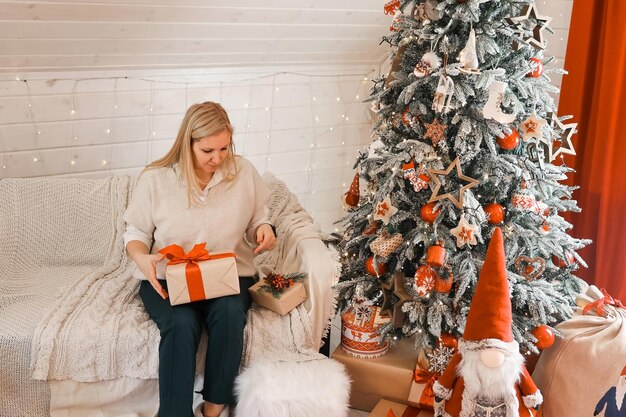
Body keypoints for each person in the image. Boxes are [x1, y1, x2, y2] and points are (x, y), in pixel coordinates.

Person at [123, 101, 276, 417]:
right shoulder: (156, 178)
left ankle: (213, 408)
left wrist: (264, 228)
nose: (217, 158)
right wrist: (141, 257)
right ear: (187, 143)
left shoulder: (243, 172)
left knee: (230, 315)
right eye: (208, 150)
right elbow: (135, 232)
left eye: (224, 148)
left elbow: (259, 216)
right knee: (181, 324)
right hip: (169, 276)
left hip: (227, 273)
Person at [432, 228, 543, 417]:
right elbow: (448, 376)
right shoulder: (465, 358)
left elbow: (525, 381)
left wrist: (532, 396)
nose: (491, 355)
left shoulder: (512, 362)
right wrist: (441, 391)